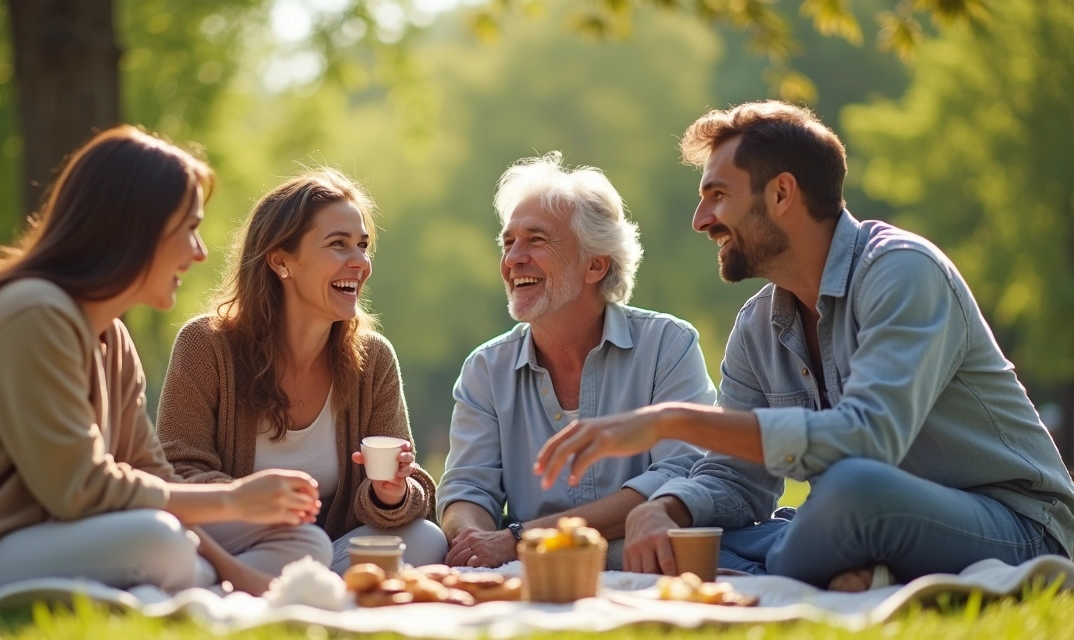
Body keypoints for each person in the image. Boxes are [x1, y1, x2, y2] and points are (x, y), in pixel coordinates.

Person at [535, 101, 1074, 590]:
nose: (701, 221)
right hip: (856, 517)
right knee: (648, 543)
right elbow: (736, 479)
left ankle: (795, 563)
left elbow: (869, 439)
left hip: (1016, 526)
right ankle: (828, 567)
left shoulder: (903, 271)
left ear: (781, 193)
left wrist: (670, 421)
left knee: (853, 490)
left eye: (717, 196)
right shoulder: (756, 324)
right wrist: (668, 509)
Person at [0, 126, 328, 596]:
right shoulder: (32, 313)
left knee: (302, 539)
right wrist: (231, 499)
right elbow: (78, 488)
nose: (200, 252)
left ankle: (189, 580)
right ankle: (181, 579)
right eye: (189, 230)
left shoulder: (113, 339)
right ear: (137, 228)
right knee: (159, 541)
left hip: (36, 532)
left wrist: (235, 571)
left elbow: (150, 476)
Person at [156, 168, 445, 574]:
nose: (360, 263)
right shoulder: (206, 346)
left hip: (325, 548)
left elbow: (415, 495)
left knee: (427, 539)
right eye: (339, 245)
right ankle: (291, 575)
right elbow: (175, 472)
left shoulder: (373, 359)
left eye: (363, 246)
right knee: (298, 546)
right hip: (236, 536)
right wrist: (250, 499)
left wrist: (391, 494)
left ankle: (294, 579)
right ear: (281, 261)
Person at [437, 152, 717, 571]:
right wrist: (477, 541)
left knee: (663, 553)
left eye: (536, 239)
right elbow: (465, 490)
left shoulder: (668, 345)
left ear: (595, 265)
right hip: (529, 562)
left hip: (629, 553)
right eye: (508, 241)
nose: (513, 259)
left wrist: (521, 539)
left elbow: (679, 475)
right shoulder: (484, 369)